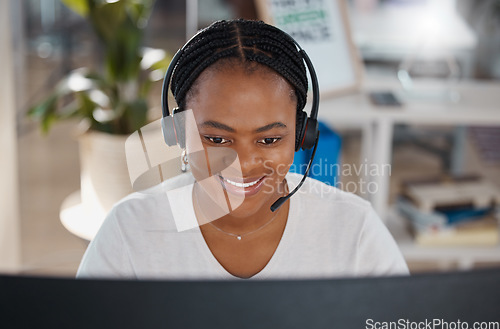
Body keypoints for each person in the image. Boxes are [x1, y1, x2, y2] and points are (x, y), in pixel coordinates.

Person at [77, 19, 408, 280]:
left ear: (301, 135)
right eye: (217, 139)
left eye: (269, 140)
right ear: (178, 133)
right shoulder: (129, 229)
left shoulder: (355, 230)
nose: (244, 163)